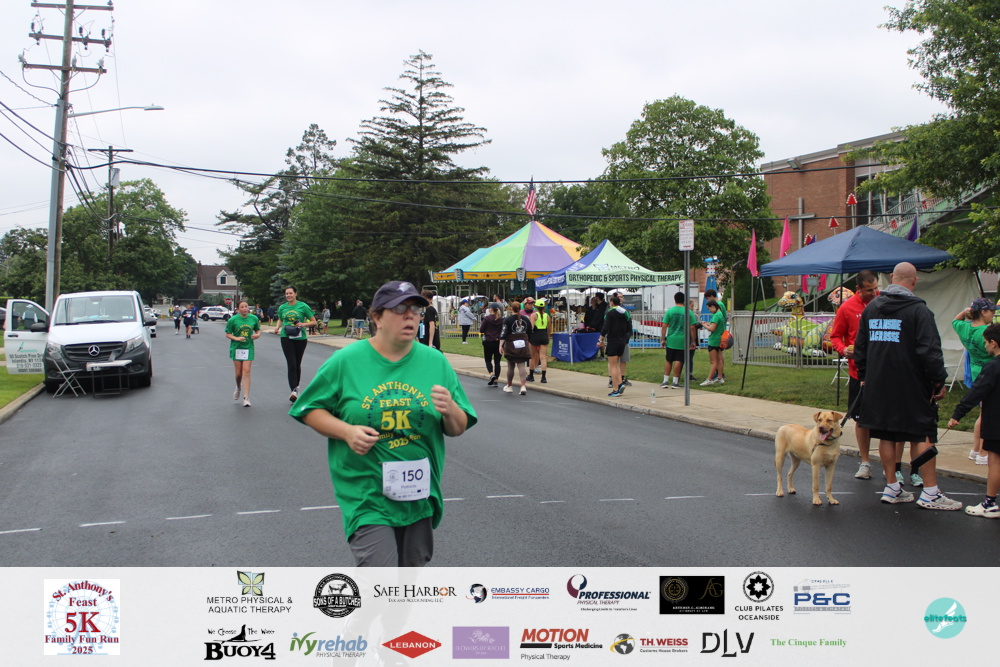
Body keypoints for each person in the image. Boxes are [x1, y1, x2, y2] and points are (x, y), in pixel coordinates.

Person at [290, 280, 477, 567]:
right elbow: (308, 409)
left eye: (415, 309)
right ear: (377, 317)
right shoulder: (346, 361)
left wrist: (450, 409)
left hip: (418, 493)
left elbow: (458, 428)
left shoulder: (435, 362)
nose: (410, 316)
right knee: (380, 575)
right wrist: (347, 431)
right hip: (366, 493)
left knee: (408, 581)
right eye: (399, 309)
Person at [855, 261, 961, 510]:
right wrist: (938, 380)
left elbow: (861, 347)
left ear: (892, 278)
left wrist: (865, 375)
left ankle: (892, 487)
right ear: (915, 281)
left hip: (879, 383)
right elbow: (929, 351)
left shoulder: (872, 308)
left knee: (886, 433)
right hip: (912, 383)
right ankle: (930, 493)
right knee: (922, 433)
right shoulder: (919, 311)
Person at [828, 270, 880, 480]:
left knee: (887, 419)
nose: (874, 293)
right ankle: (865, 462)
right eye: (869, 290)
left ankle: (893, 467)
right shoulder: (847, 308)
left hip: (884, 371)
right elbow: (835, 336)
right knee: (861, 419)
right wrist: (843, 350)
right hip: (859, 372)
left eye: (876, 288)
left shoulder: (883, 303)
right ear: (858, 289)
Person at [949, 323, 1000, 518]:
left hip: (996, 421)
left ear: (993, 343)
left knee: (995, 461)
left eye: (986, 342)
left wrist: (958, 413)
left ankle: (990, 503)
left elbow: (977, 391)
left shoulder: (992, 366)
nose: (985, 346)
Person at [953, 297, 997, 465]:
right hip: (990, 373)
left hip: (975, 371)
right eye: (991, 311)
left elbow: (955, 320)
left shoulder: (965, 328)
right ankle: (983, 453)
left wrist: (965, 312)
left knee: (983, 412)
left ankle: (976, 450)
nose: (993, 314)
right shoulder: (987, 331)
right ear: (983, 312)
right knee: (987, 415)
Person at [273, 286, 316, 402]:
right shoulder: (282, 307)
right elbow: (280, 319)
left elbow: (314, 321)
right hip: (286, 337)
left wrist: (303, 324)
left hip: (300, 337)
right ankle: (293, 390)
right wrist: (277, 327)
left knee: (297, 363)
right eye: (287, 293)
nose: (288, 295)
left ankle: (296, 387)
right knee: (291, 363)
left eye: (290, 293)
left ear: (295, 294)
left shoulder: (303, 306)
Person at [225, 300, 262, 407]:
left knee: (246, 371)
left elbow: (258, 330)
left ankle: (246, 398)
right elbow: (228, 334)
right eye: (242, 307)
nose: (245, 308)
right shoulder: (233, 320)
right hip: (237, 347)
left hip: (248, 347)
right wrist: (236, 338)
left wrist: (257, 335)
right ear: (238, 309)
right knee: (238, 374)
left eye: (246, 306)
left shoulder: (253, 318)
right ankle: (238, 387)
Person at [660, 292, 697, 389]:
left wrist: (663, 339)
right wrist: (693, 341)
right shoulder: (688, 312)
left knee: (669, 360)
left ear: (675, 299)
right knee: (679, 360)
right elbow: (692, 327)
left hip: (671, 339)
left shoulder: (670, 311)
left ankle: (665, 381)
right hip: (683, 340)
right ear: (684, 300)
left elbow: (664, 326)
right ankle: (675, 381)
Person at [601, 293, 632, 398]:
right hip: (622, 341)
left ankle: (615, 388)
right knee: (617, 364)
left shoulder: (609, 313)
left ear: (612, 303)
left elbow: (605, 327)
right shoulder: (625, 313)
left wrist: (600, 339)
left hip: (613, 340)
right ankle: (620, 383)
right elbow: (629, 327)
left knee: (613, 365)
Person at [500, 301, 532, 395]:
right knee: (521, 365)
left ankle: (509, 386)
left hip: (511, 345)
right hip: (523, 344)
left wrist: (501, 345)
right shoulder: (526, 319)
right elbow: (530, 332)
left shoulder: (508, 320)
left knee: (511, 366)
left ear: (511, 309)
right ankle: (523, 386)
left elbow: (503, 334)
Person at [703, 289, 727, 382]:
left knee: (716, 359)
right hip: (720, 332)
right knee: (719, 356)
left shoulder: (718, 308)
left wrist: (706, 325)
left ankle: (716, 375)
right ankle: (720, 375)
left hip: (717, 335)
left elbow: (716, 324)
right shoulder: (720, 306)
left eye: (708, 298)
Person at [480, 302, 503, 386]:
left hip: (488, 341)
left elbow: (481, 330)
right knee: (497, 362)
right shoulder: (502, 319)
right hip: (498, 341)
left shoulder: (487, 319)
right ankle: (496, 379)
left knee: (488, 360)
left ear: (491, 309)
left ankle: (491, 373)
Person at [529, 297, 551, 383]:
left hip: (535, 335)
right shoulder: (547, 316)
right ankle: (543, 377)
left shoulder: (534, 315)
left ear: (535, 306)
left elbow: (531, 327)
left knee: (532, 356)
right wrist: (548, 336)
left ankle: (531, 375)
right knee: (543, 357)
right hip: (544, 335)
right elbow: (549, 328)